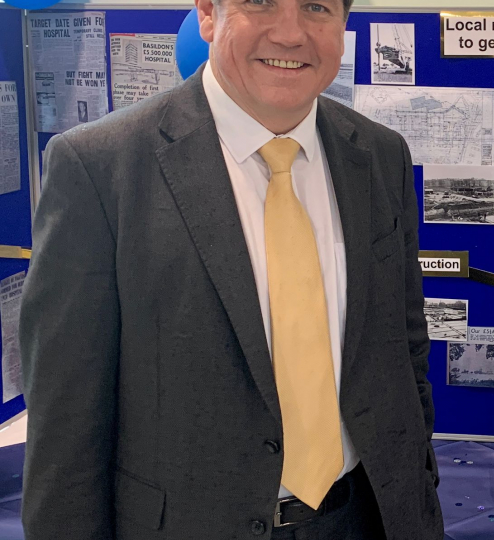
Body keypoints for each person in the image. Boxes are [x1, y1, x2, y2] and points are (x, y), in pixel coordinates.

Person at [19, 0, 442, 539]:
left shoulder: (381, 156)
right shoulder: (101, 168)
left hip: (368, 517)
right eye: (260, 2)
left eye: (317, 7)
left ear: (344, 24)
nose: (290, 34)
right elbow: (65, 426)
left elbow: (405, 347)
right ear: (207, 13)